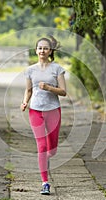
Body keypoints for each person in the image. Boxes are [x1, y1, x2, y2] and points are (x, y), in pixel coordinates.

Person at [20, 36, 66, 195]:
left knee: (52, 150)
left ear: (50, 51)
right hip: (35, 111)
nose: (42, 51)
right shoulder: (30, 70)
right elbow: (29, 90)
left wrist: (48, 87)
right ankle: (45, 182)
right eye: (40, 48)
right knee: (41, 146)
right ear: (36, 50)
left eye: (45, 48)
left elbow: (63, 91)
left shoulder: (57, 69)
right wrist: (25, 102)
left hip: (53, 110)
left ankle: (46, 157)